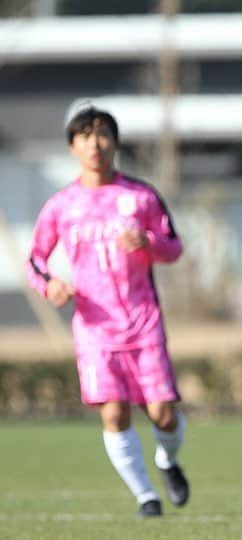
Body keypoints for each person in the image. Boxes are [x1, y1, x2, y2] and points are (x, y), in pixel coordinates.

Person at [26, 105, 189, 518]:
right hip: (95, 329)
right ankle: (145, 497)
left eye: (102, 135)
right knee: (113, 411)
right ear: (72, 146)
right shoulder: (61, 205)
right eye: (85, 136)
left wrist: (148, 242)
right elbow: (35, 261)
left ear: (114, 143)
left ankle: (167, 462)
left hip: (143, 321)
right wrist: (50, 285)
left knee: (163, 415)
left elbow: (174, 246)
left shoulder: (140, 196)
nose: (95, 144)